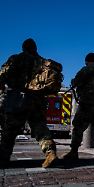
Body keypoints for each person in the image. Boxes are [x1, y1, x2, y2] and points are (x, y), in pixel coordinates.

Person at [0, 38, 57, 168]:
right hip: (38, 100)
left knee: (10, 130)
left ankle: (3, 157)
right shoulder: (43, 62)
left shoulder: (17, 58)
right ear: (35, 49)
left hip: (19, 98)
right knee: (40, 128)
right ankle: (50, 152)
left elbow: (3, 74)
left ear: (23, 48)